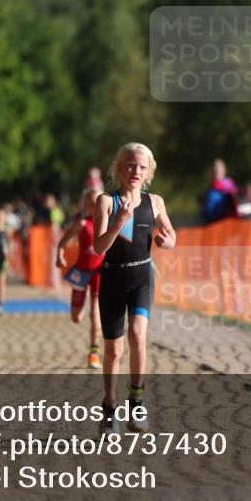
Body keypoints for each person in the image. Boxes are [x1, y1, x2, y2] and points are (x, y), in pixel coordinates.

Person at [93, 143, 176, 435]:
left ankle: (136, 402)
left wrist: (169, 241)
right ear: (119, 167)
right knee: (114, 350)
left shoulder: (155, 202)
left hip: (142, 277)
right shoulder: (106, 202)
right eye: (130, 165)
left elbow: (171, 233)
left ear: (148, 172)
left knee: (138, 335)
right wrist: (119, 221)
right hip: (113, 280)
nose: (135, 171)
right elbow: (98, 247)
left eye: (142, 167)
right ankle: (109, 408)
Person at [56, 187, 105, 369]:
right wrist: (59, 255)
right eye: (91, 203)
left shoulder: (107, 223)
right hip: (81, 273)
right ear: (86, 205)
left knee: (95, 314)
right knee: (76, 318)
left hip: (100, 273)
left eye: (98, 202)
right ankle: (81, 304)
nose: (95, 206)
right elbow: (63, 242)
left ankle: (94, 352)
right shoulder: (83, 224)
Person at [201, 158, 239, 224]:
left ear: (224, 170)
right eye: (213, 170)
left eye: (217, 170)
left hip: (224, 225)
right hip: (216, 226)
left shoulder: (230, 189)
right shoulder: (211, 190)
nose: (215, 172)